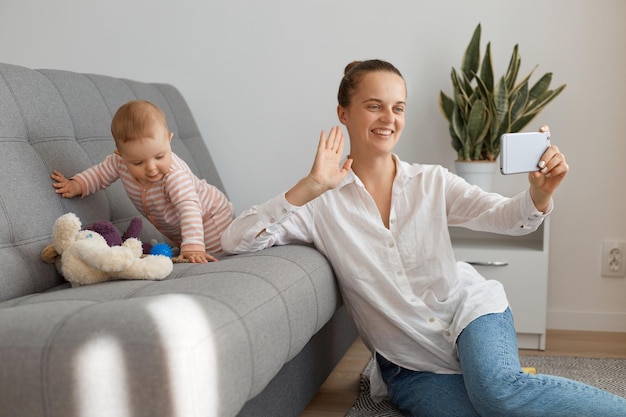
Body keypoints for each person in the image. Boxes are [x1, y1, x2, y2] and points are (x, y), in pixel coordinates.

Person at [220, 59, 626, 416]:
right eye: (374, 105)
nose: (388, 118)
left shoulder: (431, 181)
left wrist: (540, 193)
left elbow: (502, 215)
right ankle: (518, 388)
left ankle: (509, 383)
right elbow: (236, 238)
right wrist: (310, 185)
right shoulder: (319, 204)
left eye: (397, 108)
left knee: (499, 395)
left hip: (471, 315)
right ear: (343, 113)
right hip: (410, 366)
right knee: (490, 407)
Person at [52, 99, 234, 263]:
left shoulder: (175, 175)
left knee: (215, 254)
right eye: (138, 162)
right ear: (120, 155)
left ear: (169, 140)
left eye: (160, 156)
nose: (151, 168)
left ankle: (251, 230)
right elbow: (98, 175)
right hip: (179, 228)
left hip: (209, 218)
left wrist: (193, 246)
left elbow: (189, 209)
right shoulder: (119, 163)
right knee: (189, 252)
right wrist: (76, 185)